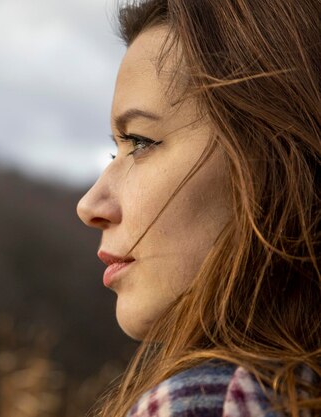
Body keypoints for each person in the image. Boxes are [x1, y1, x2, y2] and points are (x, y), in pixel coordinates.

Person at [76, 0, 321, 416]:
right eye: (113, 151)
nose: (90, 206)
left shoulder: (208, 402)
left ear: (273, 161)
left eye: (139, 142)